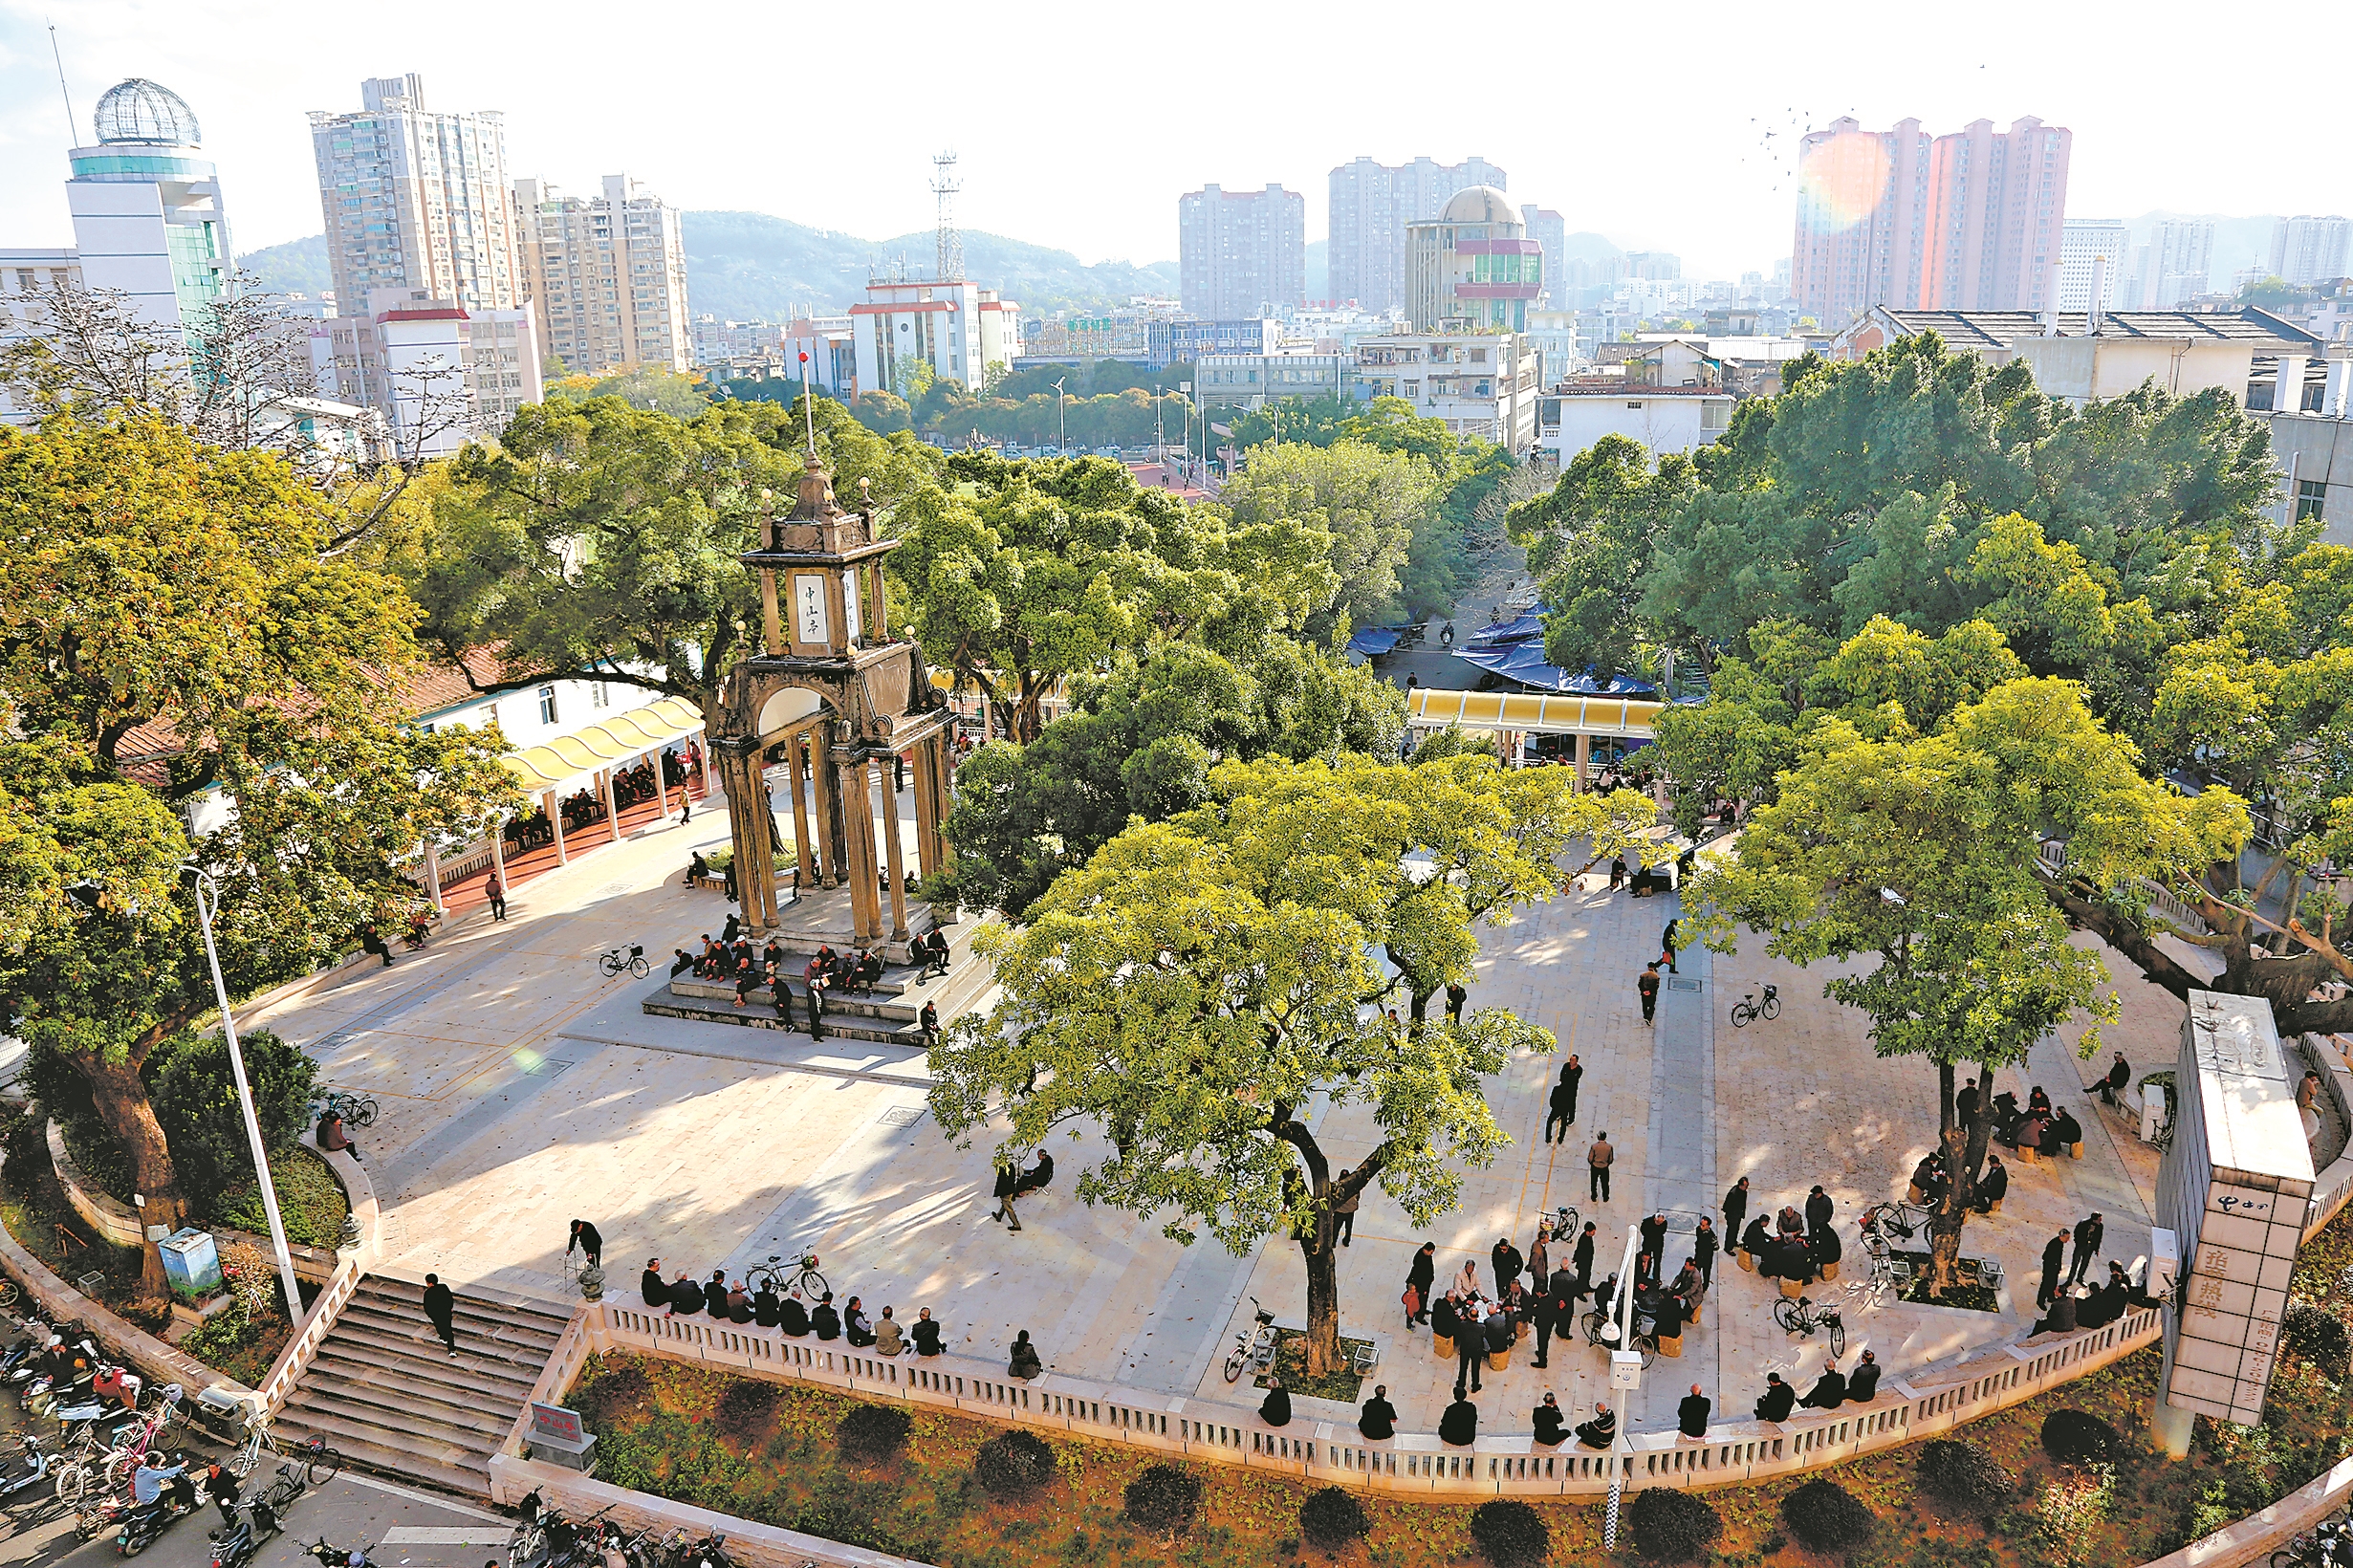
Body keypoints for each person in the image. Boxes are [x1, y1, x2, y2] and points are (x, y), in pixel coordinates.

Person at [1454, 1299, 1487, 1394]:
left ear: (1469, 1315)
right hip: (1477, 1349)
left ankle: (1461, 1383)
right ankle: (1475, 1385)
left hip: (1465, 1348)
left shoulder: (1463, 1325)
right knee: (1475, 1368)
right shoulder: (1482, 1327)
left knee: (1463, 1367)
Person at [423, 1273, 458, 1357]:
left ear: (429, 1283)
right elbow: (449, 1298)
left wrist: (431, 1315)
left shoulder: (428, 1293)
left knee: (442, 1328)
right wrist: (450, 1307)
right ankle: (445, 1339)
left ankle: (451, 1348)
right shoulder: (443, 1287)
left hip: (436, 1315)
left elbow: (427, 1306)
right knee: (447, 1328)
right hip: (446, 1313)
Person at [1406, 1242, 1437, 1327]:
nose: (1431, 1254)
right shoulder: (1420, 1259)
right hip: (1421, 1285)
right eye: (1431, 1252)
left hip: (1425, 1283)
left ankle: (1422, 1311)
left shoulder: (1426, 1256)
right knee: (1421, 1300)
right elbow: (1421, 1275)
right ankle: (1419, 1316)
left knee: (1424, 1300)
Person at [2070, 1212, 2104, 1286]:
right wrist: (2078, 1242)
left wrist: (2096, 1248)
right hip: (2081, 1246)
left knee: (2085, 1263)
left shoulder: (2100, 1226)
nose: (2100, 1221)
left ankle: (2080, 1277)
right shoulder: (2083, 1223)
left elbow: (2099, 1238)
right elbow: (2076, 1233)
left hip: (2090, 1247)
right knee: (2075, 1262)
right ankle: (2070, 1279)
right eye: (2099, 1219)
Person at [989, 1159, 1024, 1231]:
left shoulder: (1002, 1170)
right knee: (1004, 1204)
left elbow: (1000, 1182)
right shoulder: (1011, 1165)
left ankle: (1016, 1225)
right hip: (1011, 1189)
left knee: (1008, 1207)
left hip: (1006, 1191)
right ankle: (999, 1216)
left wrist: (998, 1192)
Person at [1545, 1077, 1576, 1144]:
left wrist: (1554, 1107)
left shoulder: (1556, 1089)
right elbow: (1570, 1104)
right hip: (1564, 1110)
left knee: (1549, 1122)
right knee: (1563, 1124)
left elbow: (1551, 1100)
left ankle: (1548, 1138)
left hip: (1556, 1109)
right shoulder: (1570, 1092)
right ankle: (1560, 1139)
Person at [1332, 1171, 1360, 1247]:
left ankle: (1333, 1242)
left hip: (1339, 1211)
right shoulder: (1354, 1186)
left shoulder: (1336, 1187)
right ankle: (1346, 1241)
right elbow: (1358, 1197)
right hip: (1350, 1211)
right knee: (1348, 1227)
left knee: (1336, 1228)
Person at [1573, 1223, 1598, 1302]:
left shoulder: (1588, 1237)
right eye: (1593, 1231)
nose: (1594, 1233)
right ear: (1588, 1231)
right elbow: (1579, 1250)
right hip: (1583, 1263)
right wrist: (1575, 1258)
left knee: (1587, 1275)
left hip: (1588, 1262)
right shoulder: (1583, 1239)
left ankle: (1586, 1287)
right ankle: (1579, 1292)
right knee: (1582, 1277)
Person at [1723, 1176, 1751, 1249]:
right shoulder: (1733, 1194)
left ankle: (1733, 1242)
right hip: (1732, 1216)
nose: (1746, 1188)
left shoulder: (1743, 1192)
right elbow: (1726, 1206)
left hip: (1738, 1215)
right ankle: (1728, 1247)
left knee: (1736, 1230)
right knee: (1731, 1232)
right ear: (1740, 1185)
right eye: (1745, 1186)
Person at [1588, 1130, 1614, 1204]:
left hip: (1595, 1167)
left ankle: (1594, 1196)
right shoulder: (1609, 1147)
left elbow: (1590, 1158)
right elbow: (1611, 1159)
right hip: (1604, 1167)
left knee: (1593, 1183)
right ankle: (1605, 1197)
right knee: (1605, 1183)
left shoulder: (1594, 1146)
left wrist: (1593, 1163)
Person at [1693, 1216, 1719, 1287]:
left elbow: (1716, 1247)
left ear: (1708, 1226)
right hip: (1698, 1255)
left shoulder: (1712, 1236)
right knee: (1695, 1272)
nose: (1701, 1226)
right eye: (1701, 1224)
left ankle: (1705, 1286)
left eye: (1703, 1225)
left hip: (1707, 1258)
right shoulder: (1698, 1229)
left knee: (1706, 1273)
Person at [1638, 962, 1662, 1026]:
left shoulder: (1643, 975)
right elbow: (1656, 986)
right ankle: (1649, 1017)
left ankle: (1645, 1016)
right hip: (1652, 994)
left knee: (1644, 1005)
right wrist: (1651, 992)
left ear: (1648, 967)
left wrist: (1643, 991)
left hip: (1644, 993)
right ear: (1653, 967)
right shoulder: (1656, 977)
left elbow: (1639, 984)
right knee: (1651, 1006)